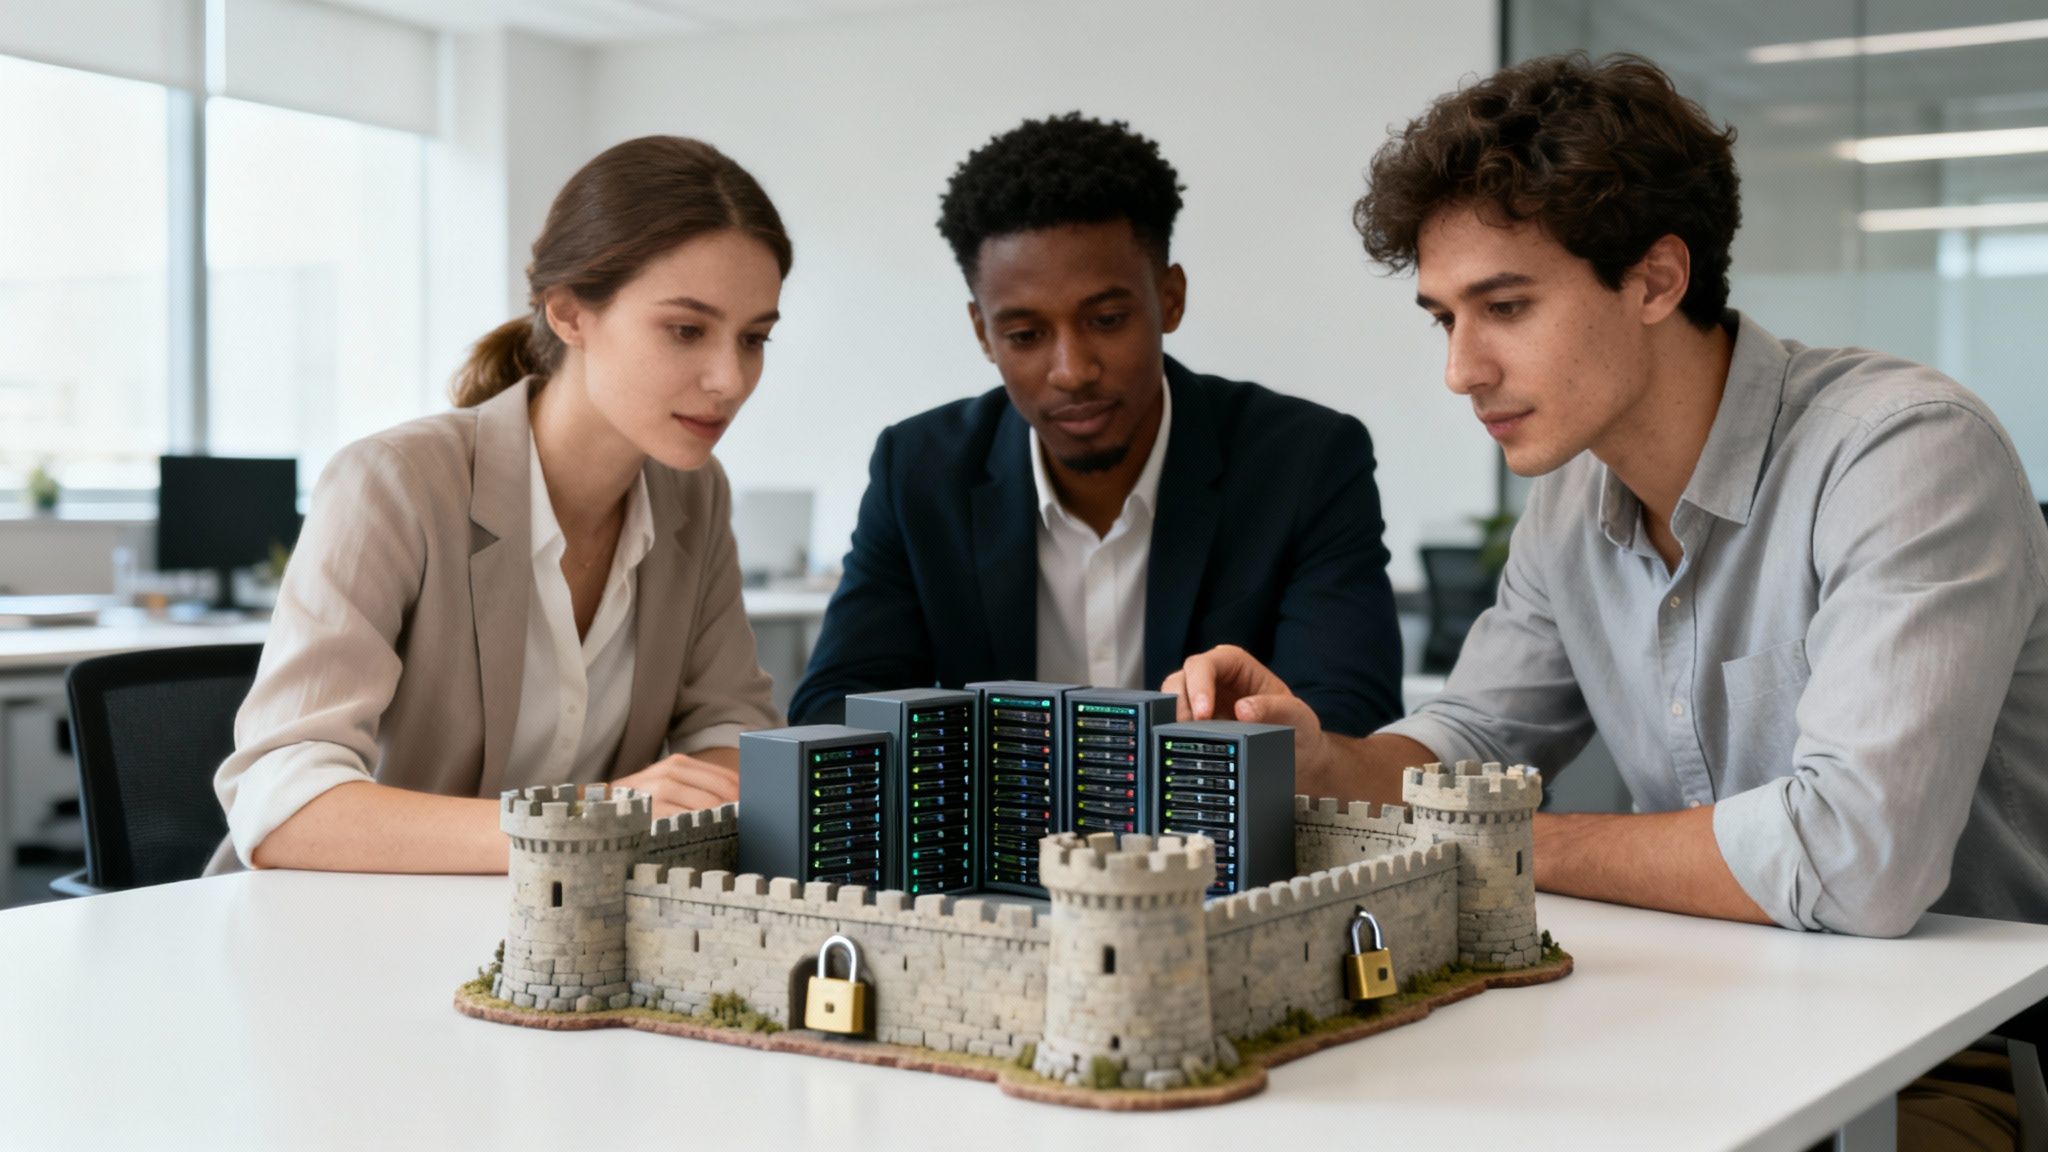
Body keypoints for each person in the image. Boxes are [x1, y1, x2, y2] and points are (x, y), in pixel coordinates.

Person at [1169, 54, 2048, 940]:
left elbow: (1859, 861)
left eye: (1505, 307)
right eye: (1445, 318)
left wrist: (1498, 839)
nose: (1459, 371)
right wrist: (1322, 763)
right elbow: (1473, 741)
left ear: (1657, 279)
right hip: (1720, 1013)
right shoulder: (1571, 502)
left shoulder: (1903, 452)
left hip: (1957, 1054)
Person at [211, 136, 790, 874]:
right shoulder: (395, 482)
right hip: (337, 928)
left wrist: (690, 793)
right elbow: (284, 804)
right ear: (570, 313)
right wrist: (588, 822)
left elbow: (732, 724)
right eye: (686, 330)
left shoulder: (692, 493)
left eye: (755, 338)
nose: (730, 379)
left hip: (552, 941)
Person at [789, 113, 1404, 733]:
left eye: (1107, 320)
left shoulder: (1305, 461)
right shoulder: (918, 470)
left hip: (1220, 830)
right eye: (1026, 335)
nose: (1072, 371)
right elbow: (833, 705)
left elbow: (1349, 717)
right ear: (983, 332)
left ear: (1170, 299)